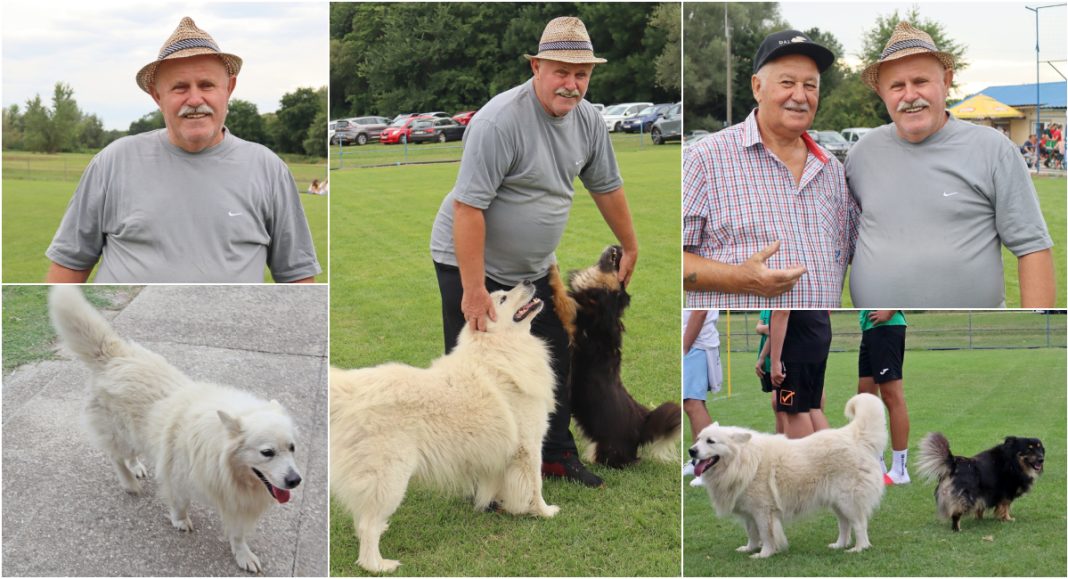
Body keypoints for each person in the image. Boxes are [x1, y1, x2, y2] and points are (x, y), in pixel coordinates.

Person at [429, 17, 638, 488]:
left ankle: (555, 457)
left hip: (534, 270)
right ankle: (477, 473)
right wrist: (474, 289)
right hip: (470, 263)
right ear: (536, 66)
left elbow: (606, 186)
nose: (572, 84)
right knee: (479, 374)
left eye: (581, 74)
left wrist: (630, 243)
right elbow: (468, 209)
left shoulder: (587, 120)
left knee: (554, 358)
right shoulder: (499, 121)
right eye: (561, 72)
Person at [45, 17, 320, 284]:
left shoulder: (268, 169)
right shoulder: (113, 162)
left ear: (229, 88)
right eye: (179, 87)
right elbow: (69, 265)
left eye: (206, 85)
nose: (195, 99)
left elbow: (297, 276)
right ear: (157, 96)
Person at [847, 22, 1054, 307]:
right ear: (882, 93)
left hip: (977, 332)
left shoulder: (993, 149)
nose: (909, 95)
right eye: (896, 86)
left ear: (946, 81)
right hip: (878, 329)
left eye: (920, 81)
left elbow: (1032, 248)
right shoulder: (862, 154)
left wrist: (1035, 325)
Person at [683, 29, 856, 308]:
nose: (800, 96)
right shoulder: (704, 158)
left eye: (810, 86)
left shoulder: (832, 170)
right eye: (787, 82)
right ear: (757, 87)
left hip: (814, 341)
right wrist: (738, 277)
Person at [857, 310, 910, 485]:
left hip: (886, 326)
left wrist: (890, 310)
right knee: (865, 398)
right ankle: (876, 465)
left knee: (891, 396)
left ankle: (900, 470)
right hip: (870, 327)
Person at [768, 310, 831, 439]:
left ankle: (806, 459)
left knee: (795, 411)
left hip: (796, 344)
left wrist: (775, 361)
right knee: (813, 407)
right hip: (817, 334)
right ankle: (831, 457)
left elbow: (782, 311)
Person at [681, 310, 722, 487]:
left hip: (696, 343)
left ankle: (710, 467)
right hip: (697, 343)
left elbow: (700, 311)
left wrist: (684, 345)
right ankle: (698, 462)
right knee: (692, 403)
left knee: (692, 403)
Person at [753, 309, 784, 434]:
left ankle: (784, 439)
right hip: (768, 362)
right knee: (778, 406)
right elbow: (759, 328)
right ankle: (780, 437)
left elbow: (777, 329)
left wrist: (770, 328)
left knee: (780, 404)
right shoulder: (765, 309)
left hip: (781, 361)